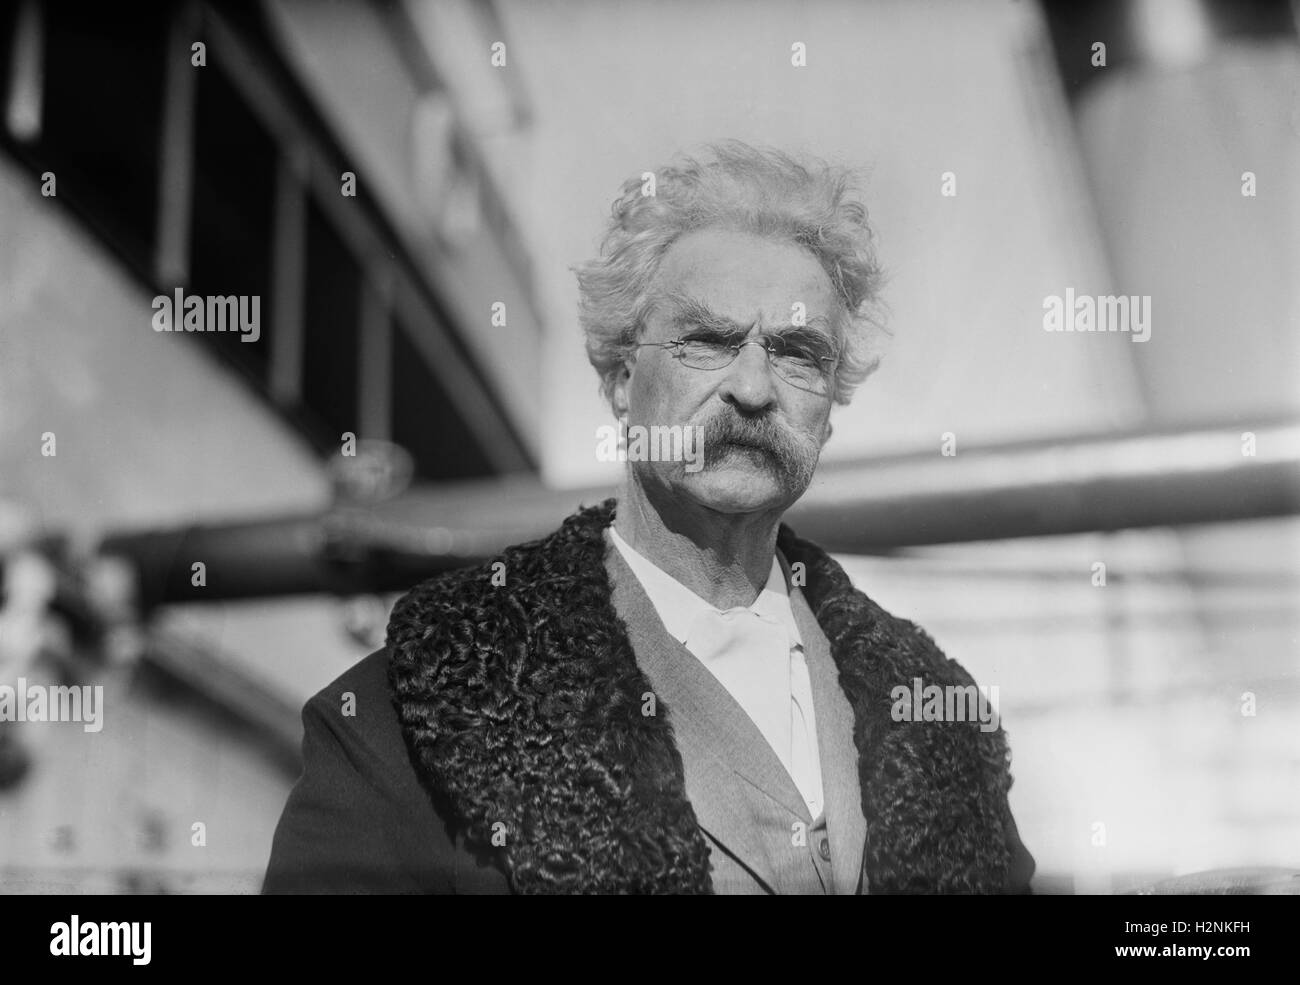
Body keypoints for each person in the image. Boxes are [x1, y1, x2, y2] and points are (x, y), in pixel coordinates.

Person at [263, 141, 1035, 894]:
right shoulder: (419, 713)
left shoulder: (940, 725)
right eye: (709, 340)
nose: (755, 389)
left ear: (830, 411)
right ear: (624, 378)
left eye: (799, 352)